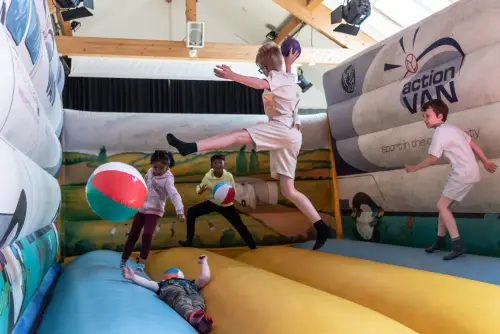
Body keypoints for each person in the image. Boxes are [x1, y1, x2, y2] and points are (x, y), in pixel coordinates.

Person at [166, 42, 330, 250]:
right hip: (291, 134)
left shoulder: (276, 78)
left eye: (262, 70)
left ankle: (190, 147)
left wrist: (233, 75)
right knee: (289, 191)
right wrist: (288, 63)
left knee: (236, 136)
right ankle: (320, 226)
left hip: (283, 130)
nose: (263, 74)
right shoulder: (289, 77)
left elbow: (259, 84)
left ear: (266, 69)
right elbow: (284, 76)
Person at [405, 99, 497, 260]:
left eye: (427, 115)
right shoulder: (451, 129)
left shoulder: (440, 133)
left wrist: (414, 168)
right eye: (423, 116)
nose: (424, 119)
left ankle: (457, 244)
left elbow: (432, 159)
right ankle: (440, 240)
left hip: (463, 173)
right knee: (443, 207)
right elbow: (472, 143)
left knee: (441, 205)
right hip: (465, 172)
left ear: (440, 116)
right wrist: (485, 161)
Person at [120, 150, 185, 273]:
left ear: (168, 166)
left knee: (147, 234)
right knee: (133, 234)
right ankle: (123, 260)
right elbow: (142, 186)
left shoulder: (168, 180)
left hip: (154, 210)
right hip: (141, 208)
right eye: (155, 167)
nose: (157, 170)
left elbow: (174, 195)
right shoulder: (149, 173)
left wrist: (180, 211)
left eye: (161, 168)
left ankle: (141, 263)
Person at [179, 154, 257, 249]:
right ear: (212, 165)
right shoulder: (208, 177)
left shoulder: (228, 176)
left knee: (239, 224)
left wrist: (230, 197)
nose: (218, 164)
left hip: (226, 205)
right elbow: (199, 189)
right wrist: (201, 190)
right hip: (213, 202)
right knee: (191, 212)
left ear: (224, 164)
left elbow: (233, 191)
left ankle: (252, 246)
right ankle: (189, 241)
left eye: (220, 162)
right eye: (215, 163)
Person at [122, 255, 213, 333]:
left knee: (198, 300)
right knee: (180, 297)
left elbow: (205, 277)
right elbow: (147, 283)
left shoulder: (191, 283)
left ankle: (200, 322)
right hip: (173, 291)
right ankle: (191, 316)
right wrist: (133, 277)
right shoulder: (162, 284)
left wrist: (204, 261)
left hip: (192, 292)